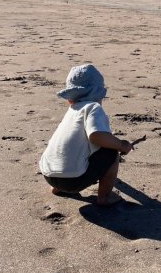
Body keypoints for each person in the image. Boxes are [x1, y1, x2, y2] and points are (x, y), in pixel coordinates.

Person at [39, 64, 132, 206]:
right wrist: (121, 145)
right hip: (73, 181)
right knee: (111, 152)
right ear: (99, 94)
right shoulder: (93, 107)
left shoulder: (72, 112)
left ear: (70, 97)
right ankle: (104, 197)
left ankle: (57, 188)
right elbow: (96, 135)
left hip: (48, 174)